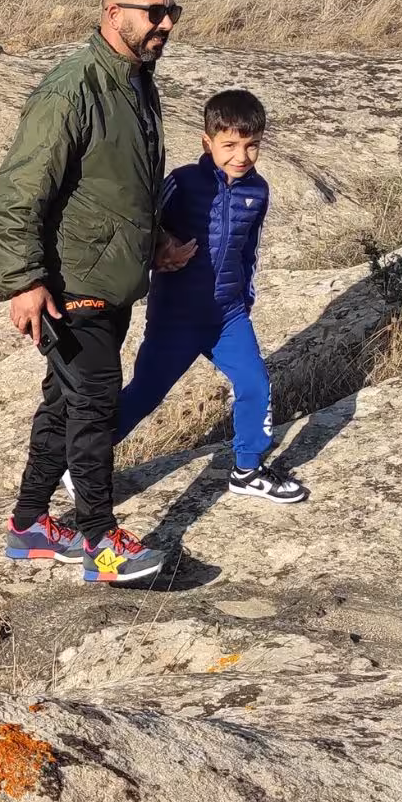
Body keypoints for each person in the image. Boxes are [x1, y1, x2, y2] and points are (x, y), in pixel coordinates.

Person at [0, 0, 191, 583]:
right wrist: (24, 280)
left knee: (64, 402)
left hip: (112, 276)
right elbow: (17, 193)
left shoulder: (136, 79)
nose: (164, 25)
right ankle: (100, 543)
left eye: (171, 12)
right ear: (113, 13)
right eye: (154, 12)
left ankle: (28, 524)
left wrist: (153, 240)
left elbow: (123, 184)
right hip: (73, 284)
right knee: (96, 402)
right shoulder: (71, 89)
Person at [113, 90, 308, 504]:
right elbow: (142, 226)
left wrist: (246, 295)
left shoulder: (259, 191)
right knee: (145, 393)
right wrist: (161, 248)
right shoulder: (181, 182)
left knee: (255, 382)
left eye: (251, 144)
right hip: (176, 316)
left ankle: (248, 469)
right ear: (208, 142)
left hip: (227, 314)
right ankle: (84, 462)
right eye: (230, 145)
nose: (242, 155)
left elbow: (249, 248)